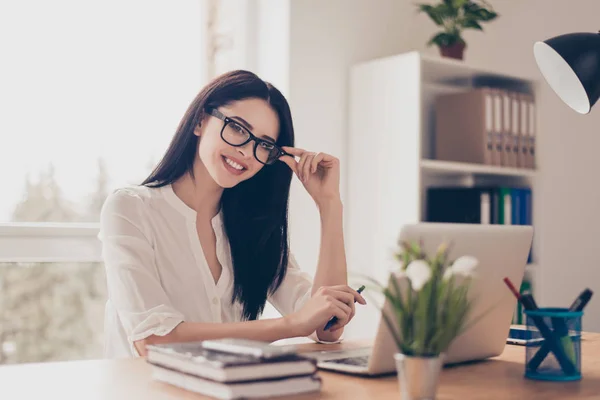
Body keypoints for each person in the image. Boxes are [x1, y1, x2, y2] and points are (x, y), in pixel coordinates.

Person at [99, 70, 366, 358]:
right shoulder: (130, 208)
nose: (247, 152)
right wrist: (291, 325)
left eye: (264, 145)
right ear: (200, 120)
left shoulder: (253, 226)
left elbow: (326, 325)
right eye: (238, 128)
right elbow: (153, 339)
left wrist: (329, 204)